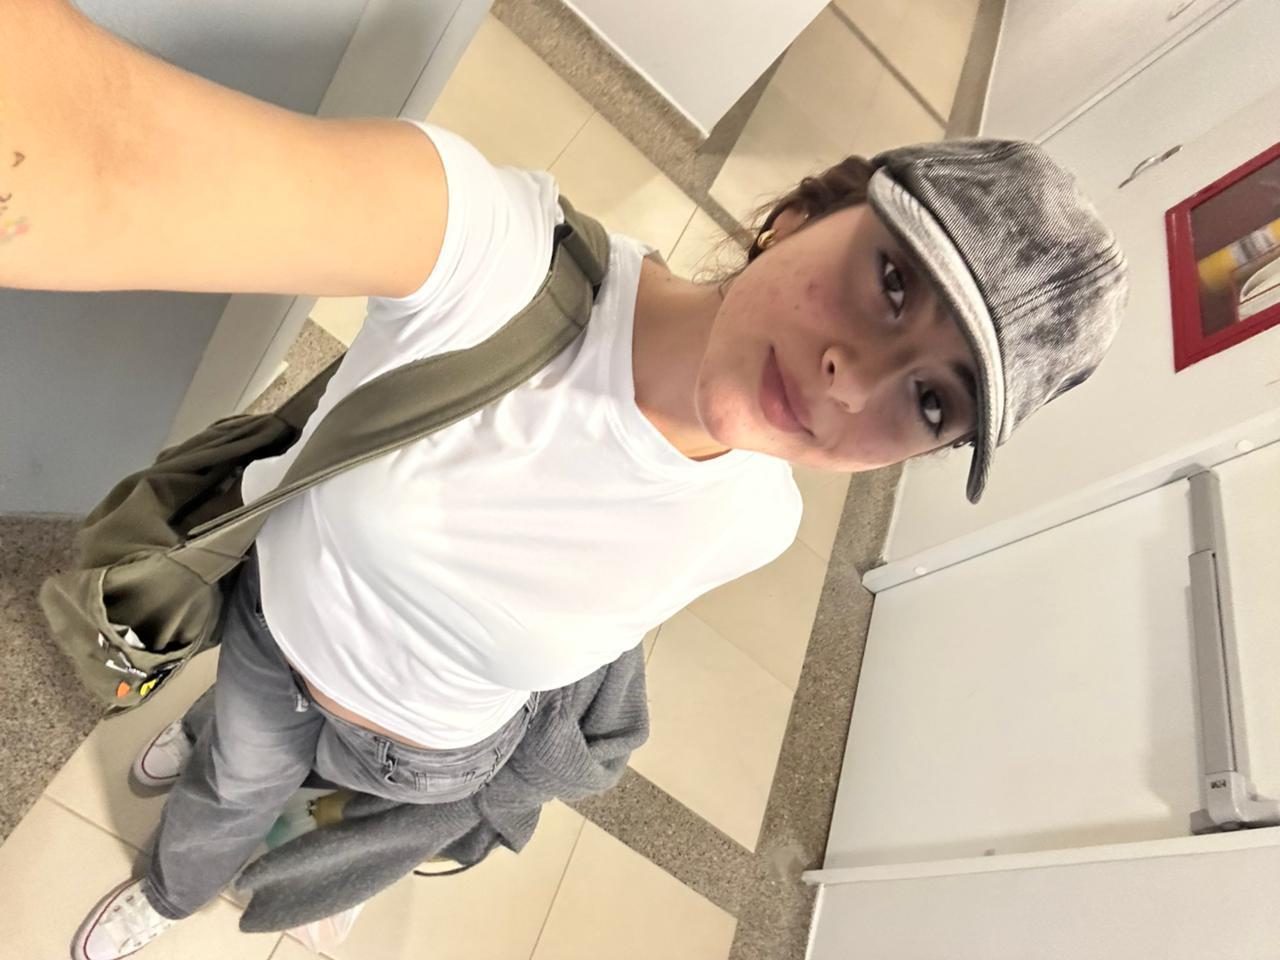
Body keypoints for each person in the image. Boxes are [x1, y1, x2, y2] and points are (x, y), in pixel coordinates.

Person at [1, 6, 1126, 960]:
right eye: (890, 281)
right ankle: (171, 891)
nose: (853, 381)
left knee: (310, 825)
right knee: (227, 788)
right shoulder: (494, 255)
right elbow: (96, 162)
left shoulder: (761, 522)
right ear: (806, 212)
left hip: (430, 753)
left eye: (930, 403)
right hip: (274, 638)